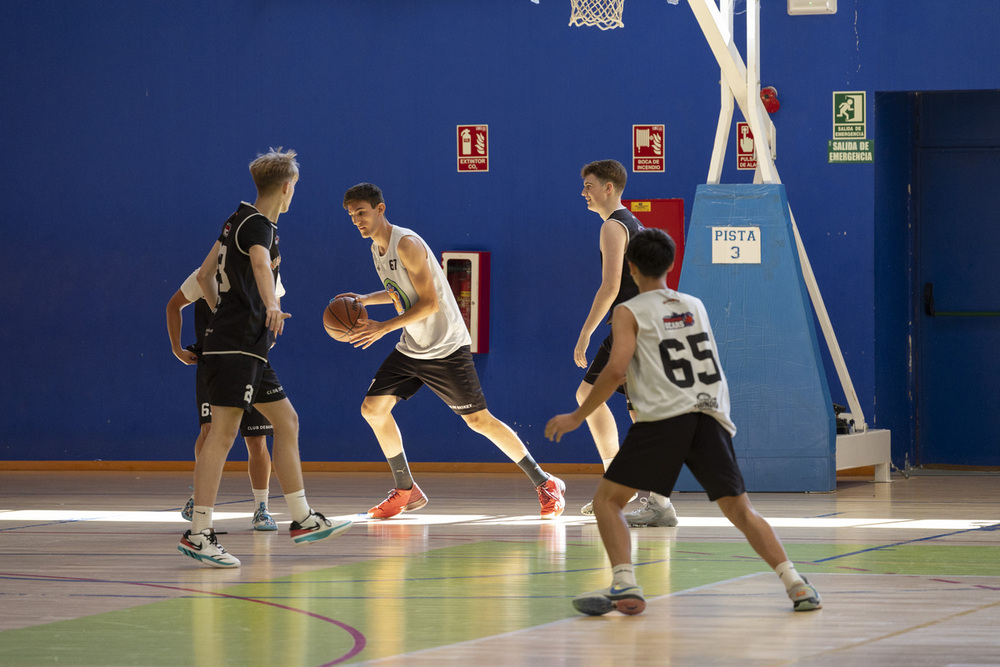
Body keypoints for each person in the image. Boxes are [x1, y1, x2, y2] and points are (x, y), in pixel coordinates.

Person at [545, 228, 822, 615]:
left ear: (631, 267)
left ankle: (625, 584)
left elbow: (615, 370)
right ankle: (796, 584)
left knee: (607, 501)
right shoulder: (694, 304)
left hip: (663, 418)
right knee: (742, 512)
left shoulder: (628, 311)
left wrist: (578, 414)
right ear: (671, 264)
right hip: (710, 414)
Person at [339, 182, 566, 520]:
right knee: (372, 410)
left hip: (445, 346)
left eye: (362, 212)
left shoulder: (407, 245)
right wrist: (367, 299)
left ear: (380, 209)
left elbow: (429, 304)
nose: (357, 220)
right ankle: (406, 490)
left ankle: (545, 482)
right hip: (413, 346)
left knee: (478, 421)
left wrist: (383, 327)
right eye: (351, 215)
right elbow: (403, 293)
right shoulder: (376, 247)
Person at [177, 148, 351, 568]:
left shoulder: (235, 220)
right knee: (223, 435)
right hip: (237, 344)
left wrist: (228, 312)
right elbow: (258, 263)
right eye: (295, 189)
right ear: (288, 188)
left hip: (244, 342)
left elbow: (203, 276)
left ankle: (302, 518)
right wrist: (268, 305)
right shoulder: (259, 226)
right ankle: (199, 533)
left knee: (286, 422)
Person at [575, 159, 677, 526]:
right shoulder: (628, 222)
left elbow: (611, 286)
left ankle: (661, 504)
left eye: (588, 185)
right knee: (588, 395)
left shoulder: (614, 226)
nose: (583, 192)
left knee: (642, 415)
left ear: (608, 188)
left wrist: (586, 330)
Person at [166, 268, 282, 531]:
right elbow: (173, 306)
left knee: (256, 438)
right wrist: (176, 348)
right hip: (214, 362)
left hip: (252, 361)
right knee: (209, 432)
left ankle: (261, 508)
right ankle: (200, 498)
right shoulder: (204, 274)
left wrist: (268, 336)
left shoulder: (265, 269)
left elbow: (274, 306)